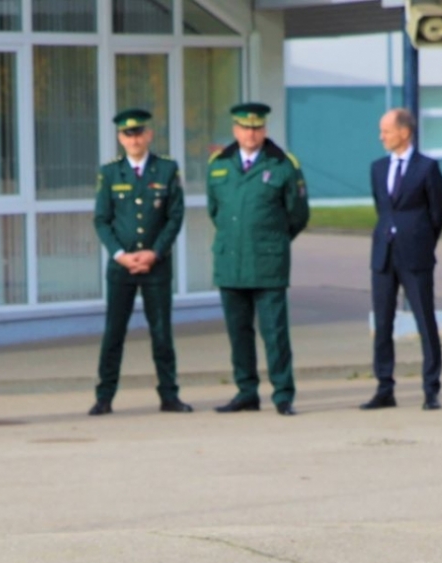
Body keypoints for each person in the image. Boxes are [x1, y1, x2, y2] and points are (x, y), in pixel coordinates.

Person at [206, 102, 311, 416]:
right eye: (244, 128)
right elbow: (215, 211)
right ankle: (246, 392)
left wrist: (272, 241)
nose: (250, 134)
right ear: (235, 130)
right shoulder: (219, 164)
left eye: (256, 128)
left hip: (267, 264)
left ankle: (283, 394)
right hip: (230, 263)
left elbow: (298, 214)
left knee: (275, 333)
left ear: (264, 129)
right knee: (238, 333)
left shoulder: (282, 164)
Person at [90, 108, 190, 416]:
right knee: (113, 333)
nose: (134, 139)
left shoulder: (166, 169)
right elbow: (102, 220)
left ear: (149, 135)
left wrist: (155, 252)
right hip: (121, 266)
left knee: (161, 333)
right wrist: (120, 255)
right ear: (120, 138)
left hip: (156, 265)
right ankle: (104, 397)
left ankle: (169, 396)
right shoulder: (110, 172)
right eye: (127, 134)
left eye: (138, 133)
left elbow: (174, 217)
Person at [365, 107, 442, 411]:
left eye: (386, 131)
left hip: (415, 256)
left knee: (425, 320)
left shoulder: (426, 168)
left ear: (404, 132)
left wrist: (420, 239)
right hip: (384, 256)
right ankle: (384, 388)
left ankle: (431, 389)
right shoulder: (377, 168)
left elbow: (438, 213)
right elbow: (382, 207)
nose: (381, 137)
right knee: (382, 323)